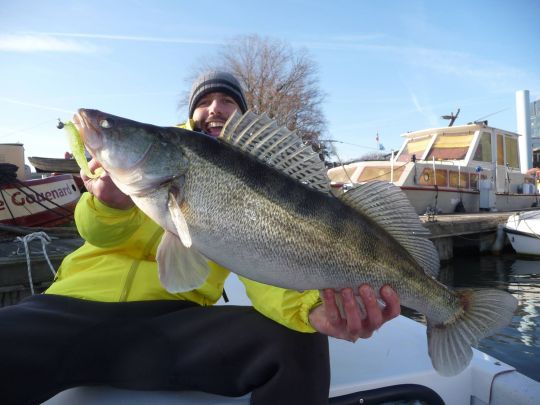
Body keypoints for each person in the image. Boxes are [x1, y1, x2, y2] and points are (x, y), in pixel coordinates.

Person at [0, 71, 400, 405]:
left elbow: (267, 262)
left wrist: (311, 308)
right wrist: (109, 203)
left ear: (242, 117)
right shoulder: (154, 157)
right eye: (205, 100)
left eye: (228, 101)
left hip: (167, 326)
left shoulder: (249, 174)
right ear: (190, 116)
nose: (216, 107)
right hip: (68, 308)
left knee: (298, 346)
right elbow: (97, 234)